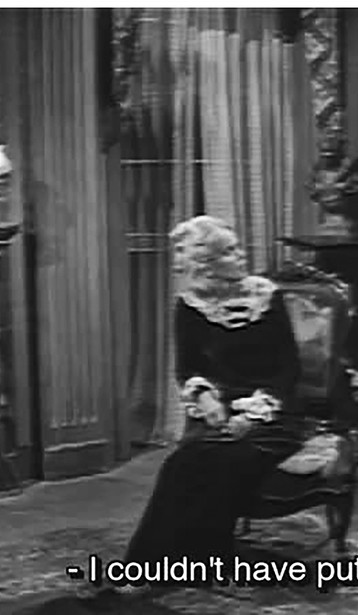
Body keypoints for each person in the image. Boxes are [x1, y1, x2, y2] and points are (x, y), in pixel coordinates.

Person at [125, 215, 304, 572]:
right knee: (183, 464)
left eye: (238, 248)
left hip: (274, 414)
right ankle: (157, 564)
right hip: (219, 413)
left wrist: (254, 414)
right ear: (207, 264)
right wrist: (205, 397)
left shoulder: (268, 297)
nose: (242, 255)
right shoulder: (189, 306)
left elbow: (289, 369)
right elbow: (188, 368)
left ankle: (188, 559)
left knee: (218, 461)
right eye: (230, 251)